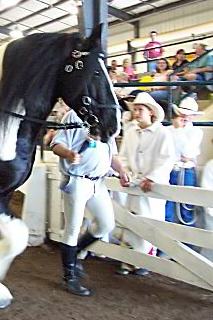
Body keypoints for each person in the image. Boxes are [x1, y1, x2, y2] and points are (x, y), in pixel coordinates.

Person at [51, 110, 127, 296]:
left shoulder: (108, 116)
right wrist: (68, 153)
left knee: (106, 224)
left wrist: (122, 171)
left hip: (98, 182)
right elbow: (56, 144)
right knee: (72, 228)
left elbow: (111, 154)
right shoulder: (73, 116)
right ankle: (69, 277)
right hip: (77, 180)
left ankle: (76, 253)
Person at [118, 92, 175, 275]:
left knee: (150, 222)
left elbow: (167, 160)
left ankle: (145, 262)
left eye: (140, 109)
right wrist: (125, 172)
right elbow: (124, 156)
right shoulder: (130, 132)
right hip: (135, 185)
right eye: (135, 109)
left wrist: (153, 177)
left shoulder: (163, 133)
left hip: (152, 188)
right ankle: (128, 261)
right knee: (132, 220)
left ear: (151, 112)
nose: (136, 112)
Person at [165, 98, 204, 228]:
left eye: (189, 114)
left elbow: (187, 154)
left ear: (193, 117)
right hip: (171, 169)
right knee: (167, 208)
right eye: (183, 113)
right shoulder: (168, 130)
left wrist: (178, 130)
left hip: (186, 171)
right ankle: (165, 243)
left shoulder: (197, 132)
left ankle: (188, 244)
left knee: (186, 209)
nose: (185, 117)